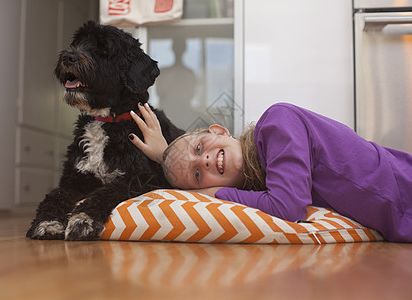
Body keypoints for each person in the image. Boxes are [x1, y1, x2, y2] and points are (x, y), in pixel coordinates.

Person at [128, 102, 412, 242]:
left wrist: (213, 191)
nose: (203, 161)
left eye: (200, 146)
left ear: (220, 130)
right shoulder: (265, 182)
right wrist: (166, 157)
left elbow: (289, 207)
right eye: (197, 175)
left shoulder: (277, 123)